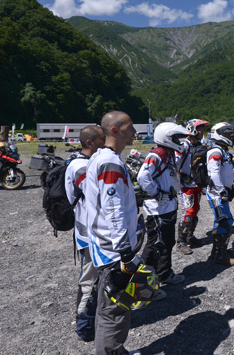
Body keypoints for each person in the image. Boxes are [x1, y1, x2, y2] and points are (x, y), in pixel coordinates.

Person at [84, 111, 144, 355]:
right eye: (130, 127)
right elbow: (114, 209)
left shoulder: (103, 158)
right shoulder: (110, 163)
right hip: (114, 251)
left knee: (106, 305)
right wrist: (125, 252)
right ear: (115, 131)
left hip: (105, 246)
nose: (134, 132)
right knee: (115, 310)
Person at [137, 122, 189, 300]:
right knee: (154, 247)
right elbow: (143, 176)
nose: (178, 142)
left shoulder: (168, 155)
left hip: (168, 206)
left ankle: (164, 274)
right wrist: (155, 192)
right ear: (167, 138)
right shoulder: (156, 155)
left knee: (167, 242)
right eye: (176, 138)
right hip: (157, 209)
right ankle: (143, 287)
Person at [65, 125, 105, 342]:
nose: (106, 142)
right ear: (90, 143)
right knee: (89, 280)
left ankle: (93, 319)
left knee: (96, 278)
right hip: (88, 233)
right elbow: (95, 194)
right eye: (102, 139)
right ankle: (85, 327)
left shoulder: (84, 162)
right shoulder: (80, 166)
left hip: (92, 231)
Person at [206, 122, 234, 266]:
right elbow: (213, 173)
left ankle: (216, 252)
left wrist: (229, 188)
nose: (230, 136)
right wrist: (221, 191)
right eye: (227, 134)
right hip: (216, 194)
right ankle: (220, 255)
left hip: (221, 192)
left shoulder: (222, 150)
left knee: (220, 222)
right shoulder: (215, 151)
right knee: (225, 222)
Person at [176, 118, 211, 255]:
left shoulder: (199, 145)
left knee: (195, 209)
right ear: (193, 129)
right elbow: (176, 163)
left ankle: (190, 236)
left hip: (197, 183)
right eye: (200, 128)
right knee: (188, 211)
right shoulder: (185, 145)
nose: (202, 131)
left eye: (203, 128)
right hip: (186, 185)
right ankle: (181, 242)